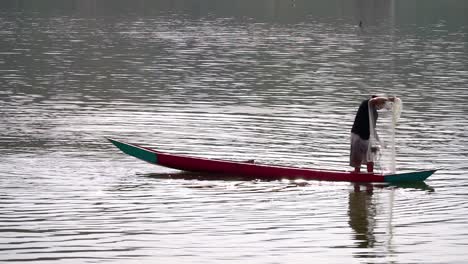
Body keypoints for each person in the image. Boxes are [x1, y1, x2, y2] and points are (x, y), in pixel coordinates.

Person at [350, 95, 395, 173]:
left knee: (370, 158)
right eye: (382, 104)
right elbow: (374, 100)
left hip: (367, 136)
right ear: (377, 102)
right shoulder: (366, 103)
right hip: (357, 135)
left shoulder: (375, 113)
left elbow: (373, 129)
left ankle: (370, 174)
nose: (382, 107)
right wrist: (388, 99)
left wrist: (380, 142)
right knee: (357, 159)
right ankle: (356, 176)